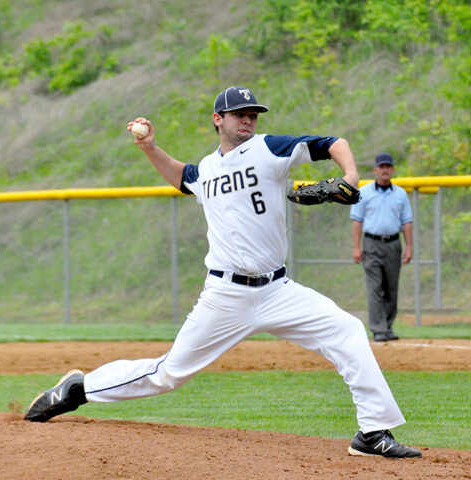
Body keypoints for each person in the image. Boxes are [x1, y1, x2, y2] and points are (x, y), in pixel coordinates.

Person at [23, 86, 421, 459]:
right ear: (218, 119)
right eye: (239, 115)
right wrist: (150, 148)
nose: (247, 121)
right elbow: (183, 177)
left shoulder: (269, 149)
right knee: (168, 375)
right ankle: (79, 389)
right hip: (226, 296)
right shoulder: (208, 170)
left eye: (253, 115)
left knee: (347, 331)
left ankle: (372, 433)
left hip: (278, 290)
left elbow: (332, 142)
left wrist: (351, 177)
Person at [350, 152, 413, 342]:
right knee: (375, 287)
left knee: (391, 288)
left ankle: (388, 326)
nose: (385, 170)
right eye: (382, 167)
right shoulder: (365, 192)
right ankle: (378, 329)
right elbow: (356, 222)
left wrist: (409, 246)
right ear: (376, 170)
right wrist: (356, 247)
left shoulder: (400, 193)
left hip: (393, 243)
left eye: (388, 167)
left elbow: (407, 222)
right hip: (371, 243)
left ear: (392, 170)